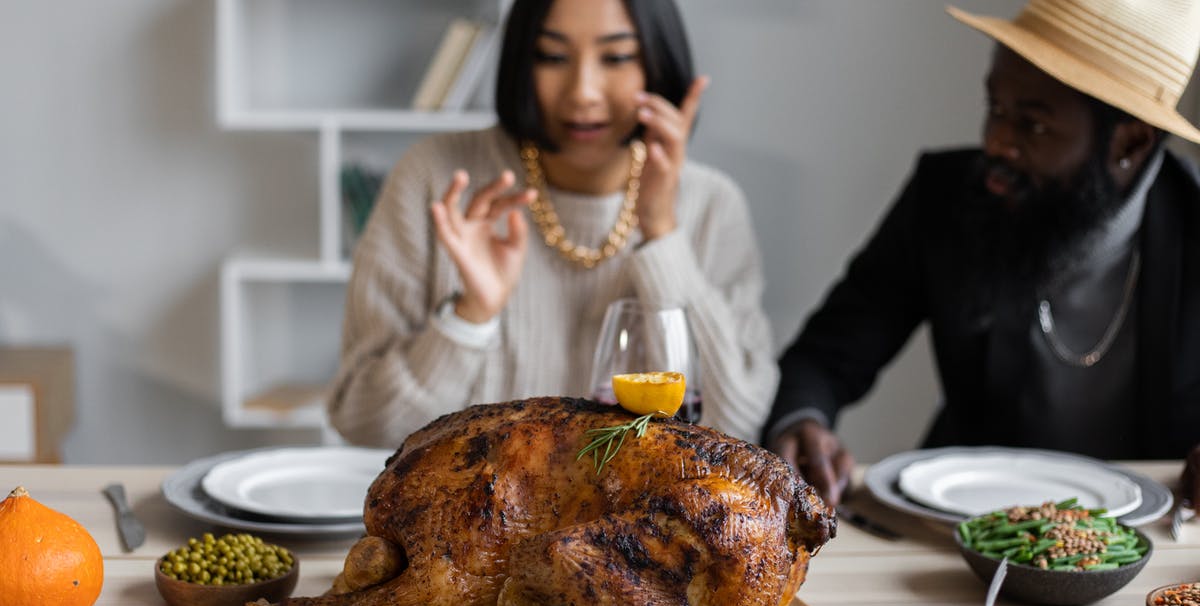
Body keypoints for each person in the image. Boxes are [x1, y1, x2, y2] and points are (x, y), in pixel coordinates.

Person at [763, 0, 1200, 507]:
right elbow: (826, 356)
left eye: (1032, 126)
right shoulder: (949, 198)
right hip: (958, 539)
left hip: (1156, 549)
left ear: (1131, 141)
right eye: (995, 109)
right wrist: (801, 423)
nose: (995, 142)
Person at [329, 0, 777, 448]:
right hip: (472, 516)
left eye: (616, 57)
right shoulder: (436, 178)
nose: (583, 91)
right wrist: (469, 318)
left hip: (641, 517)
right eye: (553, 57)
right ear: (522, 60)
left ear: (660, 65)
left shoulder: (713, 205)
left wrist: (662, 236)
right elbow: (363, 422)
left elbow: (735, 426)